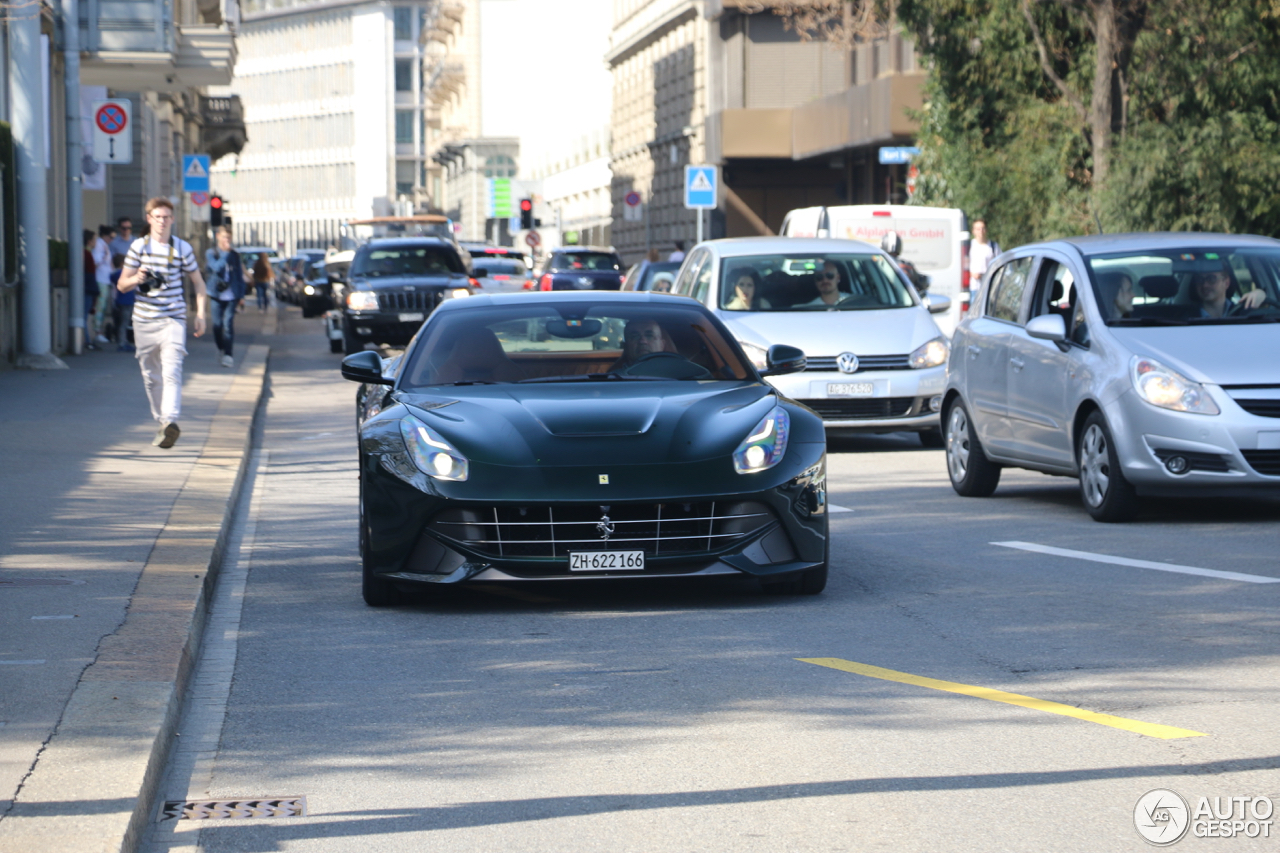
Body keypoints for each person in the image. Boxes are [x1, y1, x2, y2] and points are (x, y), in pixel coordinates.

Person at [117, 198, 207, 448]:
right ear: (149, 219)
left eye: (167, 217)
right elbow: (121, 285)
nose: (162, 221)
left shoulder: (181, 248)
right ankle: (161, 420)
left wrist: (200, 315)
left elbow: (199, 283)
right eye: (158, 216)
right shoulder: (138, 247)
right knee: (151, 376)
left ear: (173, 219)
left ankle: (169, 421)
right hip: (145, 320)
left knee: (172, 370)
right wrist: (137, 277)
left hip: (173, 318)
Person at [205, 226, 246, 367]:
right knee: (217, 325)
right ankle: (221, 348)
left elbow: (239, 276)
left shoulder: (234, 255)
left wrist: (241, 295)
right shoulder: (211, 253)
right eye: (224, 238)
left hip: (231, 295)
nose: (226, 241)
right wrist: (225, 254)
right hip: (216, 294)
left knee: (228, 324)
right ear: (218, 237)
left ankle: (228, 354)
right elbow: (216, 268)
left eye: (229, 238)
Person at [610, 318, 676, 371]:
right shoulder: (614, 378)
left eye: (649, 336)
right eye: (635, 336)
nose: (642, 341)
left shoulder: (678, 374)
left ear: (662, 344)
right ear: (626, 346)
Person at [91, 225, 114, 344]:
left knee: (103, 306)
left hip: (105, 279)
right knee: (100, 306)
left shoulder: (104, 245)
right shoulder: (100, 245)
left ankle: (99, 330)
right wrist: (103, 256)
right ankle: (97, 331)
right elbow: (96, 260)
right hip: (101, 279)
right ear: (105, 236)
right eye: (111, 237)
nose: (112, 239)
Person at [82, 231, 102, 349]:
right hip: (88, 288)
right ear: (89, 241)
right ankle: (87, 341)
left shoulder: (87, 253)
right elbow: (90, 274)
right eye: (94, 240)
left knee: (84, 315)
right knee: (84, 315)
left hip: (86, 288)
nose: (95, 243)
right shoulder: (87, 254)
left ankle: (88, 340)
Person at [111, 254, 135, 352]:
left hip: (119, 301)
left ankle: (123, 342)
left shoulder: (113, 274)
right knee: (124, 324)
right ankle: (122, 343)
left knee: (121, 323)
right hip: (127, 302)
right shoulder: (122, 274)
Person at [969, 219, 1000, 287]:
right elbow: (963, 266)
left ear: (986, 230)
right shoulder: (969, 246)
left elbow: (1000, 263)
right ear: (973, 231)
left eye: (983, 228)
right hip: (974, 286)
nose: (981, 231)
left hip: (990, 285)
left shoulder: (993, 246)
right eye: (978, 229)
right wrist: (972, 274)